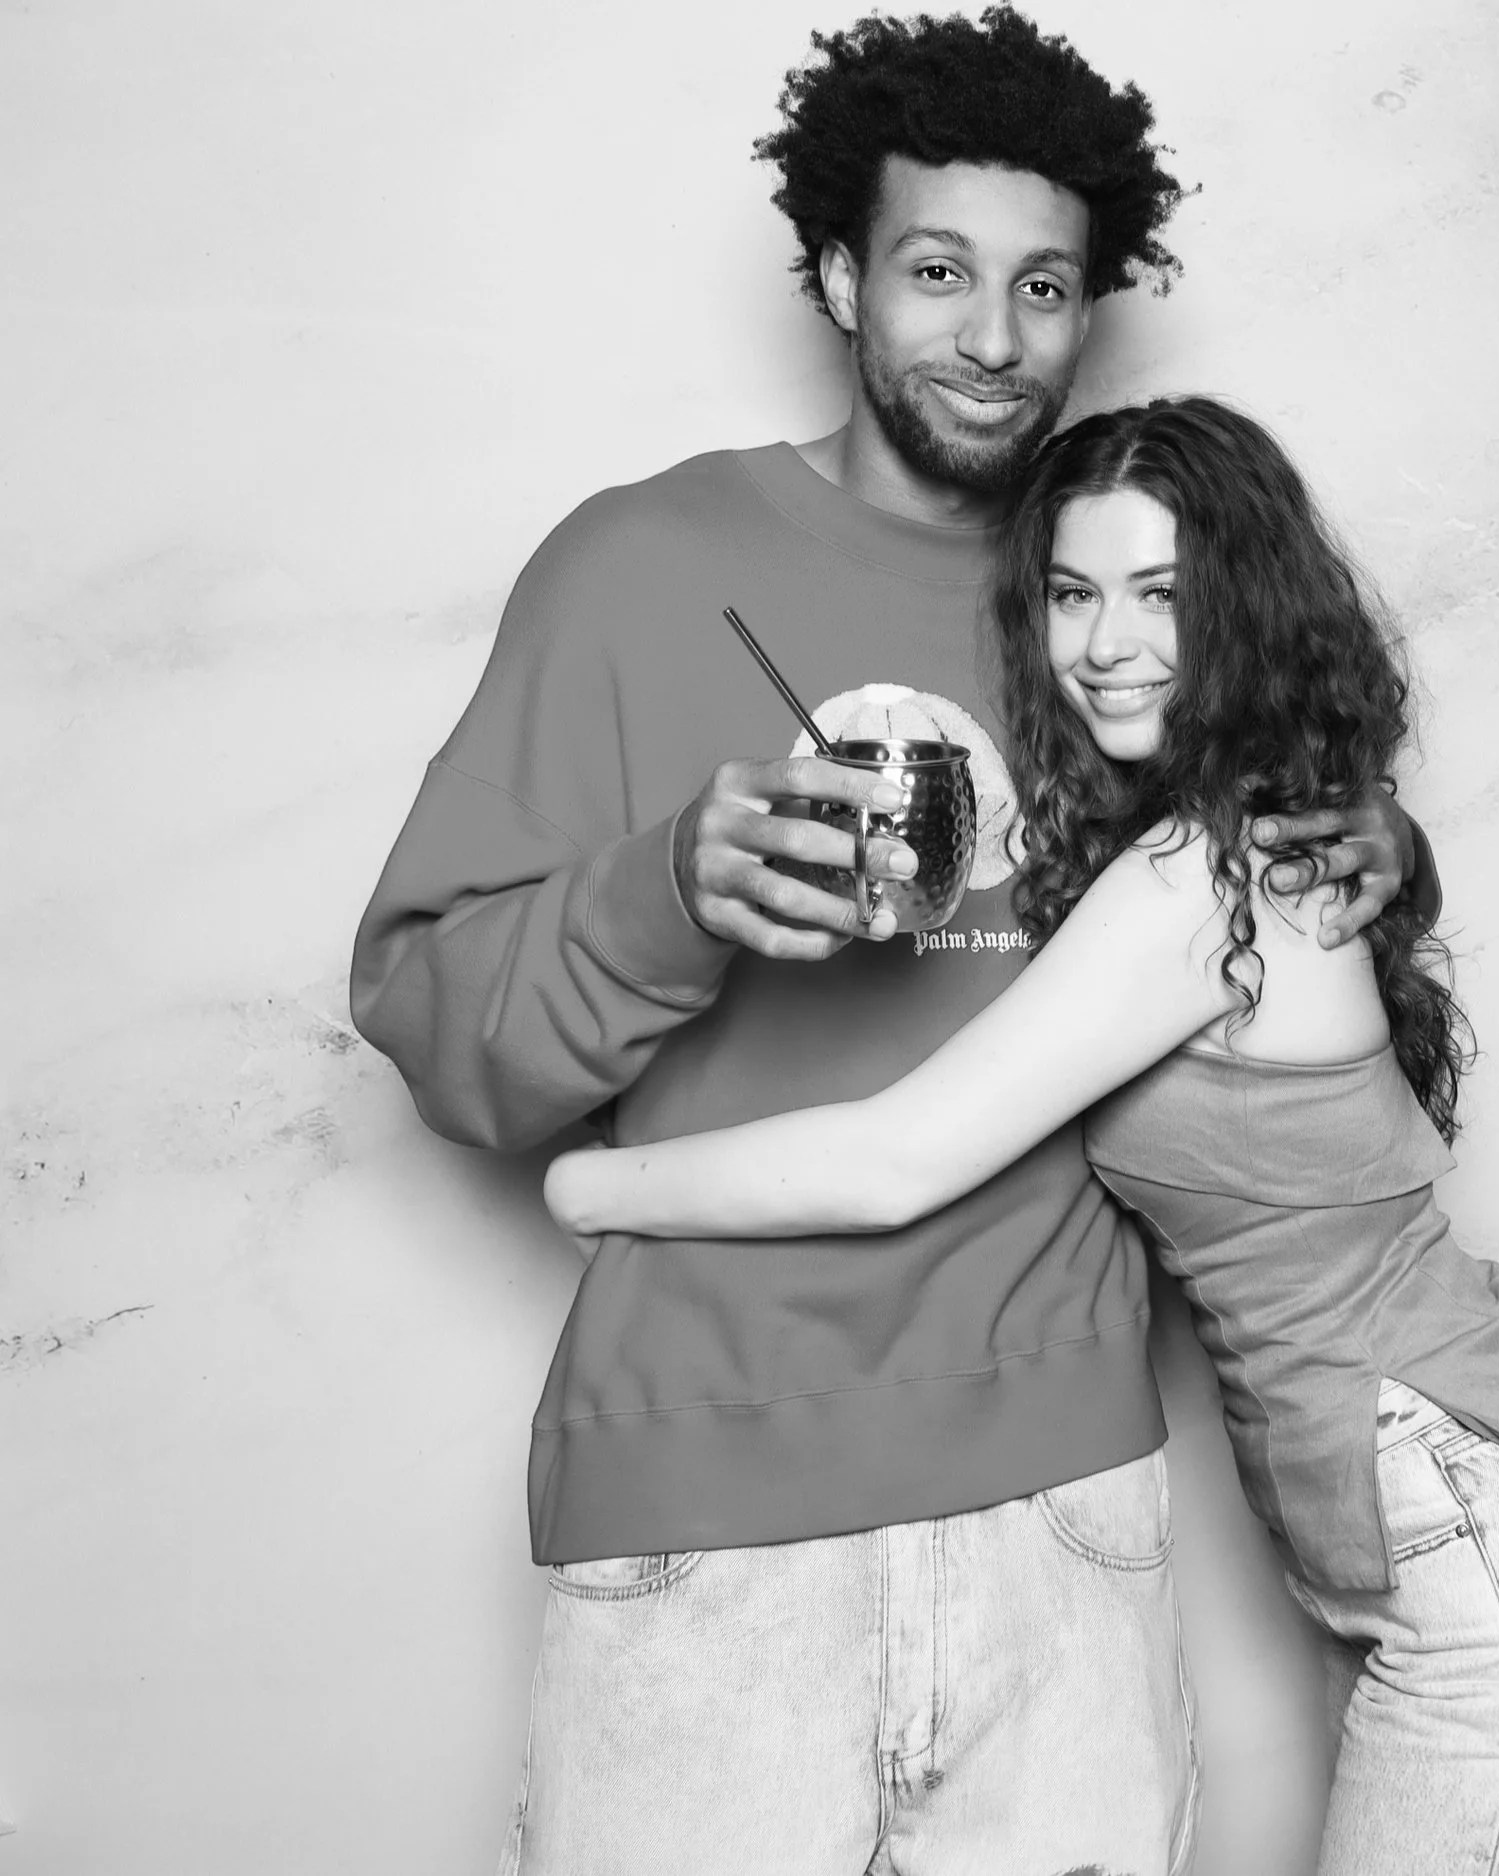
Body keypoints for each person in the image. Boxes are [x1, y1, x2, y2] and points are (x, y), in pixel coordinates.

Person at [348, 14, 1424, 1873]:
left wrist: (1369, 845)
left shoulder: (1108, 593)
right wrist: (664, 890)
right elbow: (440, 1039)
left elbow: (1264, 828)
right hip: (704, 1505)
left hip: (1066, 1510)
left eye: (1045, 287)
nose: (992, 338)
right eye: (937, 273)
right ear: (841, 273)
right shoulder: (639, 566)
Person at [543, 397, 1499, 1876]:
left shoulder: (1202, 872)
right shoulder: (1256, 831)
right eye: (1074, 595)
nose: (1108, 644)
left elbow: (898, 1159)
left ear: (1246, 606)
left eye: (1163, 594)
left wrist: (596, 1180)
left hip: (1495, 1543)